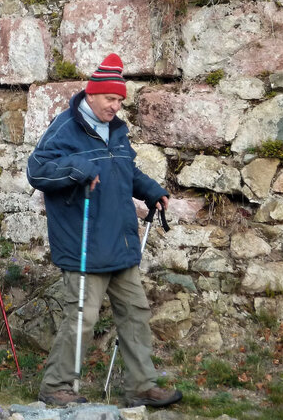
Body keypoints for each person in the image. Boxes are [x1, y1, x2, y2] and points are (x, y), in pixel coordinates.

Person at [26, 53, 182, 408]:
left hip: (121, 240)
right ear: (91, 94)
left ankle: (142, 387)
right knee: (82, 318)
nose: (116, 106)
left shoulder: (117, 131)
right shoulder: (65, 127)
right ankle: (56, 386)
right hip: (83, 241)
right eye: (110, 99)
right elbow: (37, 170)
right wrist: (78, 167)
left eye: (119, 100)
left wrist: (151, 190)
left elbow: (126, 171)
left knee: (136, 313)